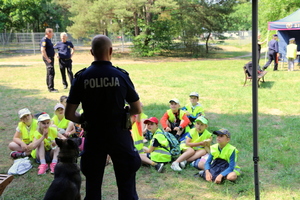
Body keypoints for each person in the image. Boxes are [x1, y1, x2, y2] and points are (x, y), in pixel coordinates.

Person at [65, 35, 142, 200]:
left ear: (92, 52)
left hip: (94, 137)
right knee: (127, 187)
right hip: (119, 135)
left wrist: (84, 120)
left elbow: (69, 114)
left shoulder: (81, 78)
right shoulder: (121, 76)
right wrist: (125, 116)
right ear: (111, 51)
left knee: (92, 188)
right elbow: (137, 108)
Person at [40, 28, 58, 92]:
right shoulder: (44, 40)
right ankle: (51, 88)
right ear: (48, 33)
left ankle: (50, 87)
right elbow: (42, 50)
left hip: (51, 57)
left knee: (51, 72)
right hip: (48, 58)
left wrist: (55, 54)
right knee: (51, 72)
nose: (53, 34)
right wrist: (47, 59)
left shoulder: (49, 40)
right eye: (52, 32)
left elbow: (51, 49)